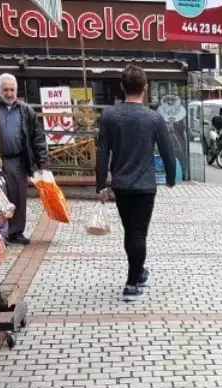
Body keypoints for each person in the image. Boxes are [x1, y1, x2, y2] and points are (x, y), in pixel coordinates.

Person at [95, 64, 176, 302]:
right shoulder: (154, 118)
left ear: (122, 87)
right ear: (145, 87)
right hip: (144, 186)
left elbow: (102, 153)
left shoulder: (109, 116)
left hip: (120, 185)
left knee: (131, 232)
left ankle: (138, 272)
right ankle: (132, 284)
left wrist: (101, 184)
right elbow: (168, 153)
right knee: (138, 233)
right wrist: (170, 179)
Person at [0, 73, 47, 245]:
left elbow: (38, 137)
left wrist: (41, 163)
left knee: (18, 197)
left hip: (17, 160)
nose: (9, 94)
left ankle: (16, 232)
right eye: (5, 90)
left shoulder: (26, 110)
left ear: (17, 90)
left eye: (12, 90)